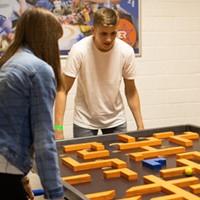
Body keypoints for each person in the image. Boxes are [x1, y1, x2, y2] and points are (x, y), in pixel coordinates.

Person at [0, 8, 64, 200]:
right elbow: (44, 141)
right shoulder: (39, 69)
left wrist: (23, 180)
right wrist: (56, 195)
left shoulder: (9, 61)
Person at [54, 7, 144, 139]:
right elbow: (63, 90)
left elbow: (131, 91)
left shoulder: (126, 51)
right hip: (85, 120)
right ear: (93, 30)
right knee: (83, 160)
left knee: (120, 158)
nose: (108, 39)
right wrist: (58, 129)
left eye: (113, 33)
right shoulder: (79, 50)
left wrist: (140, 126)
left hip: (116, 119)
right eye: (103, 34)